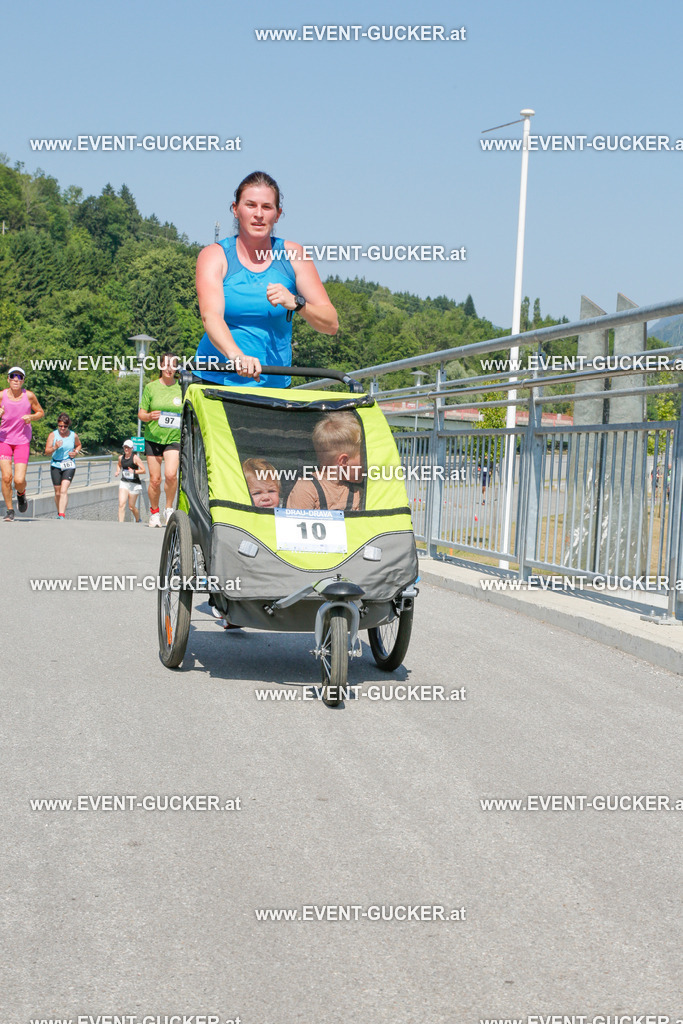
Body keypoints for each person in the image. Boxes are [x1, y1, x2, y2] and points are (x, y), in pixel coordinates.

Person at [194, 171, 338, 387]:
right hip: (215, 380)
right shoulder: (214, 256)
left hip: (273, 385)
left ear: (277, 214)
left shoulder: (294, 255)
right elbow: (211, 317)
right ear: (236, 209)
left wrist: (297, 304)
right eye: (250, 205)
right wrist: (237, 356)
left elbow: (331, 324)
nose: (258, 214)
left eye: (267, 207)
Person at [138, 352, 182, 527]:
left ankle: (168, 508)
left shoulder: (182, 387)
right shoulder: (151, 387)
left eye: (173, 365)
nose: (170, 368)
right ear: (161, 366)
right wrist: (149, 416)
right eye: (166, 365)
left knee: (171, 475)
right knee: (155, 480)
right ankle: (154, 512)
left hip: (174, 437)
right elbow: (141, 414)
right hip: (153, 437)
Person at [286, 412, 363, 511]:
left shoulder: (358, 492)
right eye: (363, 459)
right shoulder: (306, 488)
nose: (367, 464)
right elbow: (294, 523)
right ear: (343, 461)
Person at [0, 366, 44, 522]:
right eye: (13, 376)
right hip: (4, 440)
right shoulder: (1, 395)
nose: (16, 379)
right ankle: (10, 510)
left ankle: (21, 493)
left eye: (19, 377)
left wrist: (31, 417)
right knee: (6, 477)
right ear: (8, 379)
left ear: (23, 380)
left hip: (22, 441)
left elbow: (40, 412)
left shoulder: (29, 396)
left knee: (18, 480)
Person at [45, 413, 82, 519]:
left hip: (69, 464)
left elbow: (79, 445)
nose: (62, 428)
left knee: (63, 490)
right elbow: (47, 452)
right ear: (58, 425)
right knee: (57, 492)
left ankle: (62, 514)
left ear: (68, 426)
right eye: (60, 426)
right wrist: (55, 447)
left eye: (65, 426)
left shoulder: (73, 435)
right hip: (55, 464)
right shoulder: (53, 435)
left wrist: (76, 452)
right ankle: (59, 512)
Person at [115, 439, 146, 523]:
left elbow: (144, 470)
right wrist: (118, 471)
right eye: (125, 447)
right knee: (121, 504)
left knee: (131, 506)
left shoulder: (135, 458)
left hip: (134, 484)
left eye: (128, 448)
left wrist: (134, 471)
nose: (126, 449)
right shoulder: (121, 457)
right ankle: (120, 524)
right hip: (124, 482)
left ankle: (138, 519)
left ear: (132, 448)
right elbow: (119, 465)